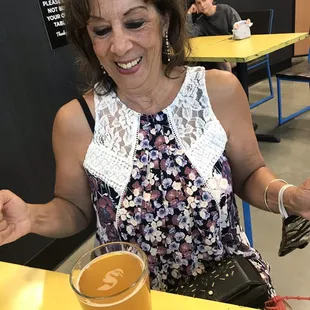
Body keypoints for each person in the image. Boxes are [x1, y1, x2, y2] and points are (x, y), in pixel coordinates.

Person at [1, 0, 310, 303]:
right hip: (128, 294)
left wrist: (288, 197)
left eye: (135, 23)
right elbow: (75, 209)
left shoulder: (220, 91)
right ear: (87, 38)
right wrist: (30, 216)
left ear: (165, 18)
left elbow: (250, 173)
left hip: (230, 284)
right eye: (101, 30)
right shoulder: (76, 121)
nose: (120, 46)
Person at [186, 0, 241, 71]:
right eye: (198, 3)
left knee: (221, 61)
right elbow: (189, 34)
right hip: (216, 55)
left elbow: (240, 28)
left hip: (234, 51)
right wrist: (189, 13)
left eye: (204, 0)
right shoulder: (201, 22)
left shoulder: (226, 10)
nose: (202, 5)